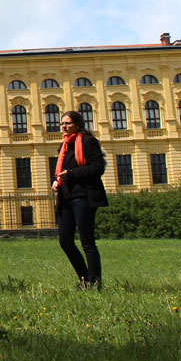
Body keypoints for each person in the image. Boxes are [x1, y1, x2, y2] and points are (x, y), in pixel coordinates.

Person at [53, 109, 108, 290]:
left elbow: (97, 168)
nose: (64, 126)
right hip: (65, 197)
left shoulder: (87, 142)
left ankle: (95, 282)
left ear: (77, 125)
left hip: (83, 196)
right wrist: (56, 181)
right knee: (65, 241)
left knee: (87, 242)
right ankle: (85, 279)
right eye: (62, 123)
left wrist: (71, 173)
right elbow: (61, 170)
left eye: (67, 123)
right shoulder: (64, 146)